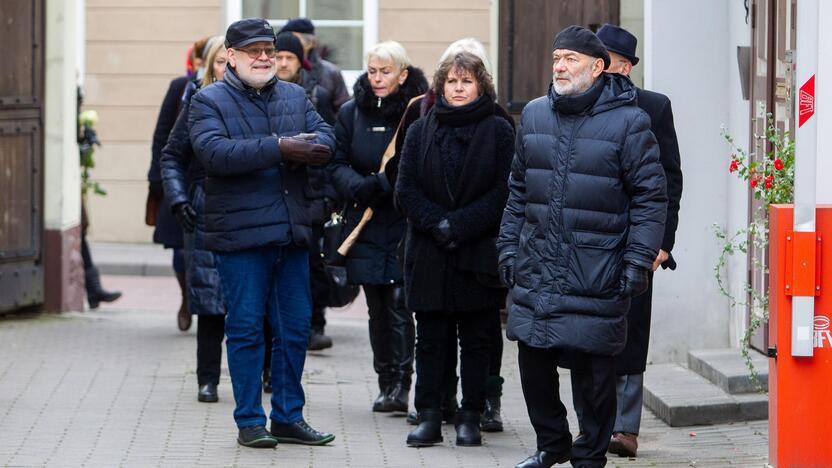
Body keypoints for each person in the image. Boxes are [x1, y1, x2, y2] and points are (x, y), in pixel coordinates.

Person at [498, 26, 667, 468]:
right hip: (537, 263)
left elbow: (651, 197)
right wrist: (508, 248)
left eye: (571, 58)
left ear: (597, 67)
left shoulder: (630, 121)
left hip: (598, 268)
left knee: (593, 374)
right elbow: (518, 189)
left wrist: (638, 260)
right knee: (533, 363)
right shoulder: (534, 115)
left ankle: (589, 455)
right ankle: (551, 444)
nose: (560, 66)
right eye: (556, 57)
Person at [188, 18, 335, 448]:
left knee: (293, 328)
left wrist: (307, 147)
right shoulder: (208, 100)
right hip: (241, 237)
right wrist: (282, 147)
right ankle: (250, 420)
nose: (265, 57)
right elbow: (215, 153)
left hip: (290, 232)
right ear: (230, 57)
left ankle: (289, 416)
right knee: (248, 329)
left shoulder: (295, 95)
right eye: (254, 51)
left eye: (269, 50)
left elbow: (326, 139)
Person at [387, 38, 512, 432]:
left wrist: (459, 225)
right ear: (440, 86)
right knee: (431, 340)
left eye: (467, 81)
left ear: (481, 86)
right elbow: (404, 189)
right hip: (429, 251)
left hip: (478, 252)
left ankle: (471, 417)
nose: (458, 88)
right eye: (452, 81)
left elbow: (504, 191)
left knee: (476, 340)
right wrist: (437, 223)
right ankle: (429, 415)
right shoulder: (422, 129)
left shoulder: (498, 131)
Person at [569, 23, 682, 459]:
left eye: (611, 60)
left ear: (626, 65)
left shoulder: (654, 107)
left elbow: (670, 180)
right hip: (585, 238)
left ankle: (625, 427)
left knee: (630, 331)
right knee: (583, 332)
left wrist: (664, 243)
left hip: (638, 239)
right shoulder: (574, 104)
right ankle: (589, 424)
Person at [329, 41, 428, 415]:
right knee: (377, 307)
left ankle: (403, 384)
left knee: (401, 305)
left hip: (402, 219)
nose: (377, 78)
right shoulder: (351, 113)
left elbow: (418, 160)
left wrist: (387, 185)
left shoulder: (416, 111)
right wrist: (361, 187)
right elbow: (335, 161)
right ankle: (385, 381)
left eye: (385, 71)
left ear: (403, 74)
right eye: (372, 71)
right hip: (365, 221)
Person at [160, 36, 227, 404]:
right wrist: (178, 198)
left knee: (254, 304)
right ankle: (208, 378)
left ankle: (264, 374)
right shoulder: (197, 103)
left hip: (248, 207)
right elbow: (171, 154)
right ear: (209, 66)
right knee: (208, 297)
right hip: (203, 207)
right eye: (216, 63)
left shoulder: (259, 101)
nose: (223, 69)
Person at [272, 31, 339, 351]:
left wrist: (327, 197)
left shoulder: (318, 97)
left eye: (290, 58)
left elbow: (331, 147)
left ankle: (315, 324)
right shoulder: (264, 94)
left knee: (313, 263)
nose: (284, 63)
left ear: (301, 62)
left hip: (311, 194)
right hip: (277, 194)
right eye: (279, 57)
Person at [147, 37, 208, 332]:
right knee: (180, 249)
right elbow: (162, 135)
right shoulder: (179, 88)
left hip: (209, 182)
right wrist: (157, 178)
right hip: (179, 180)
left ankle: (205, 303)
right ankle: (186, 298)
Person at [279, 18, 350, 112]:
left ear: (310, 43)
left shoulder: (330, 72)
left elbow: (343, 111)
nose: (289, 42)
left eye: (294, 39)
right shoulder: (275, 70)